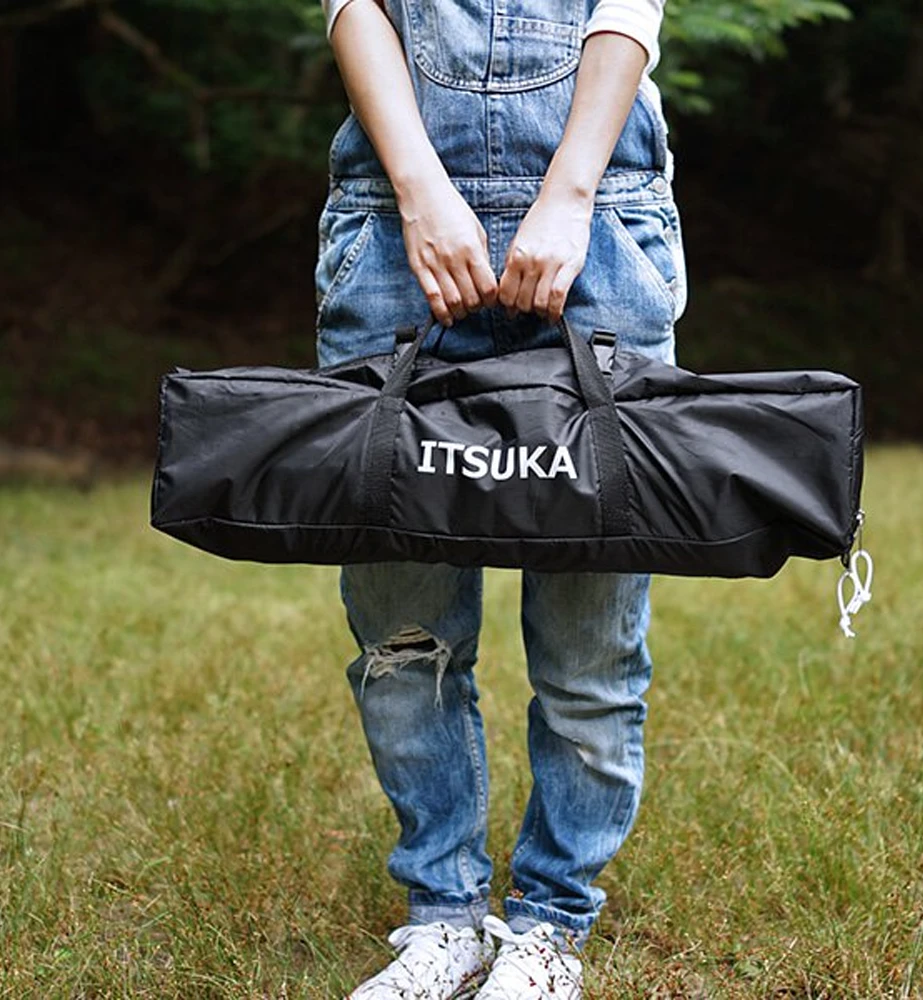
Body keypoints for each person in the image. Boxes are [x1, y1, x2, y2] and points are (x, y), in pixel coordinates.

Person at [315, 0, 687, 996]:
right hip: (394, 238)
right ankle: (442, 916)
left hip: (598, 229)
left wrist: (568, 196)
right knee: (405, 639)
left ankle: (550, 926)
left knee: (589, 644)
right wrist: (419, 191)